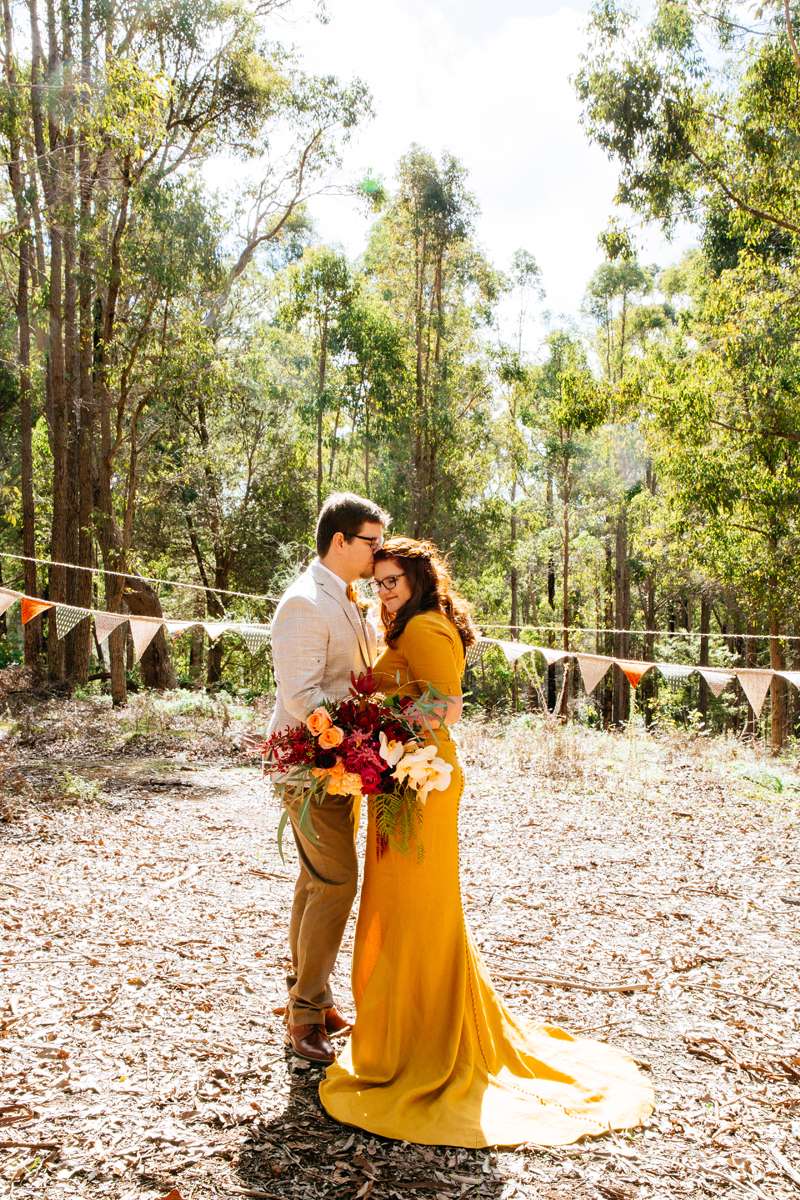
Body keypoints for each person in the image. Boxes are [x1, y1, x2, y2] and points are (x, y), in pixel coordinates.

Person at [319, 537, 654, 1147]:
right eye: (379, 582)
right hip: (398, 773)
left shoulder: (424, 628)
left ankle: (426, 1040)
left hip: (423, 778)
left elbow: (445, 709)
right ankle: (404, 1028)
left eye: (393, 580)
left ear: (420, 580)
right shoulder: (410, 626)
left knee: (417, 909)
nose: (384, 591)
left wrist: (372, 723)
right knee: (398, 907)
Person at [268, 492, 389, 1065]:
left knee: (316, 880)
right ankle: (306, 1013)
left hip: (339, 764)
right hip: (306, 766)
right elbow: (299, 696)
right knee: (337, 881)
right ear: (339, 542)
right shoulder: (303, 603)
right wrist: (363, 727)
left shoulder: (345, 597)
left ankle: (308, 997)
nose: (379, 552)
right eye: (372, 542)